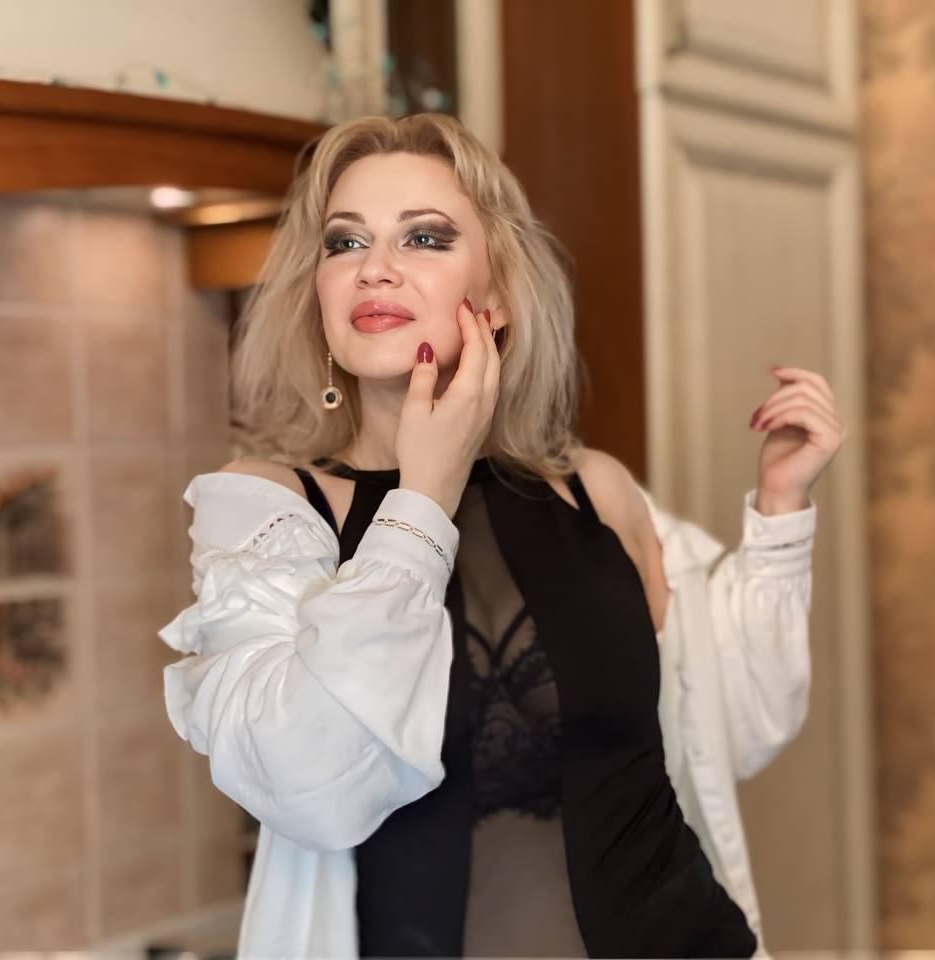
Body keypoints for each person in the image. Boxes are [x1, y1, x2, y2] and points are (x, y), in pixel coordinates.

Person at [157, 112, 845, 959]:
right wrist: (424, 497)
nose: (375, 268)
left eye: (424, 238)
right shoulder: (266, 511)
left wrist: (781, 509)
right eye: (345, 243)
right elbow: (312, 791)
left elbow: (729, 730)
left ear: (500, 295)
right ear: (319, 293)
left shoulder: (593, 493)